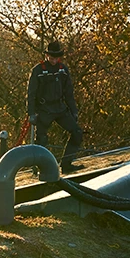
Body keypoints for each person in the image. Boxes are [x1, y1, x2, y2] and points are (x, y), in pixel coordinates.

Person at [27, 40, 84, 172]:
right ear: (47, 56)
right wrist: (31, 113)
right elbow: (31, 93)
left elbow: (69, 92)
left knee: (77, 132)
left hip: (60, 108)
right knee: (41, 140)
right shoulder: (38, 70)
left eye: (56, 58)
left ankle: (66, 164)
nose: (53, 60)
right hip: (44, 110)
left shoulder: (63, 70)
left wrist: (73, 110)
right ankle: (43, 169)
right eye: (51, 58)